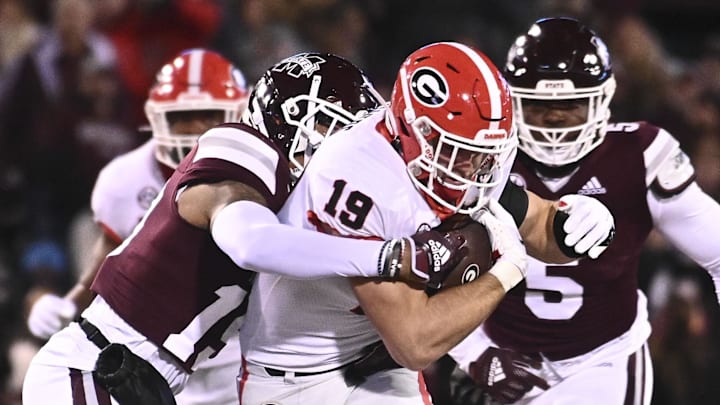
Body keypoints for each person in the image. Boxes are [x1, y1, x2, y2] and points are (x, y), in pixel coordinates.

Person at [20, 51, 469, 405]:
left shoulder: (302, 209)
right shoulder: (241, 148)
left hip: (155, 379)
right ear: (285, 118)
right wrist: (389, 256)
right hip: (93, 368)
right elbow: (248, 241)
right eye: (330, 127)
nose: (344, 148)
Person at [237, 41, 615, 404]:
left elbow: (537, 223)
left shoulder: (462, 158)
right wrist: (507, 271)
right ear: (418, 133)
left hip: (375, 360)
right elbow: (414, 343)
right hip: (296, 376)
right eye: (460, 151)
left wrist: (577, 225)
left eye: (484, 154)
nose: (474, 167)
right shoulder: (355, 179)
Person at [447, 17, 720, 405]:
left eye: (571, 105)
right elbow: (430, 270)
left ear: (602, 98)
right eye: (541, 106)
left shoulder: (640, 155)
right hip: (502, 356)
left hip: (601, 362)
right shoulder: (479, 158)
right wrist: (474, 352)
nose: (555, 119)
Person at [24, 48, 249, 405]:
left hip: (234, 358)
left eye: (208, 115)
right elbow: (106, 269)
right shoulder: (125, 180)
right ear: (157, 118)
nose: (194, 130)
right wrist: (67, 302)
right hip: (154, 368)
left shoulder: (262, 180)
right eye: (182, 117)